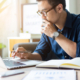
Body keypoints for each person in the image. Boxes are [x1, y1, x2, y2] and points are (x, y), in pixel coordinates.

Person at [12, 0, 80, 60]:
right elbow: (40, 53)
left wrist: (55, 34)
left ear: (59, 8)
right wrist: (28, 55)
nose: (42, 17)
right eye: (40, 12)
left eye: (44, 12)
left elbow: (78, 53)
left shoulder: (78, 23)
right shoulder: (48, 27)